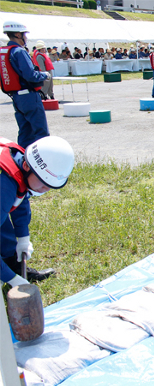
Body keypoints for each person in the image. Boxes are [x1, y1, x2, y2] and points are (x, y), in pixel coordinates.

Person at [1, 136, 74, 285]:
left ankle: (11, 263)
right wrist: (12, 280)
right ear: (27, 167)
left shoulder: (19, 160)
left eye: (50, 185)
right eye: (43, 183)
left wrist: (23, 237)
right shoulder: (4, 187)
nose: (45, 189)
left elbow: (20, 194)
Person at [1, 21, 52, 149]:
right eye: (24, 35)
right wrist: (45, 75)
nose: (26, 38)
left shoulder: (4, 51)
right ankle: (44, 163)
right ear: (18, 35)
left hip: (16, 97)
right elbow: (30, 75)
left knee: (25, 133)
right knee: (41, 133)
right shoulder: (19, 52)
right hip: (29, 96)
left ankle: (23, 163)